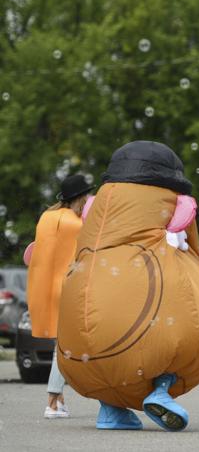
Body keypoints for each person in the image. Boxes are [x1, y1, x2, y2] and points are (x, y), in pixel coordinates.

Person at [27, 174, 93, 418]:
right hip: (68, 288)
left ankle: (60, 401)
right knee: (65, 347)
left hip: (46, 288)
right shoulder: (76, 224)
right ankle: (52, 402)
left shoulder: (47, 218)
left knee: (60, 343)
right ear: (79, 198)